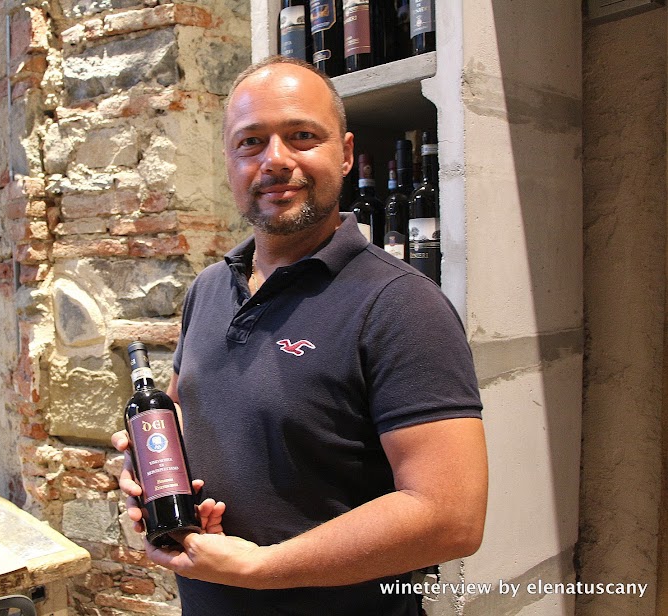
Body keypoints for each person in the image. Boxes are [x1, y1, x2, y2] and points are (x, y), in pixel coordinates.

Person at [112, 56, 488, 615]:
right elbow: (183, 417)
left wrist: (262, 569)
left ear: (345, 152)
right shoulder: (209, 289)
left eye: (302, 136)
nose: (275, 160)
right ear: (229, 161)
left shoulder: (401, 304)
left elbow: (450, 517)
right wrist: (143, 473)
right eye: (251, 142)